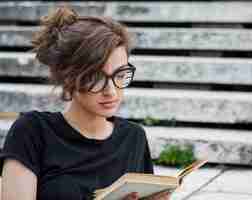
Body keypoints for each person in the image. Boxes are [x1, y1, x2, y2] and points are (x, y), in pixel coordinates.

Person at [0, 6, 171, 200]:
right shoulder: (32, 132)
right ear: (68, 77)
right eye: (96, 78)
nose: (111, 91)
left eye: (121, 75)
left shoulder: (134, 137)